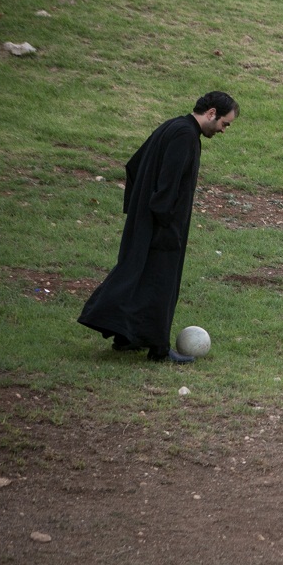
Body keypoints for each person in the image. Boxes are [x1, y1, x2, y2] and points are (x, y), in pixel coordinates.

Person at [78, 92, 239, 363]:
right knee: (161, 283)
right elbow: (169, 185)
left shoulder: (172, 126)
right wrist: (166, 224)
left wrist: (137, 211)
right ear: (211, 113)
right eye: (225, 123)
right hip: (162, 224)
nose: (224, 130)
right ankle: (158, 349)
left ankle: (127, 337)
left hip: (146, 220)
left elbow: (134, 165)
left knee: (136, 274)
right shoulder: (185, 136)